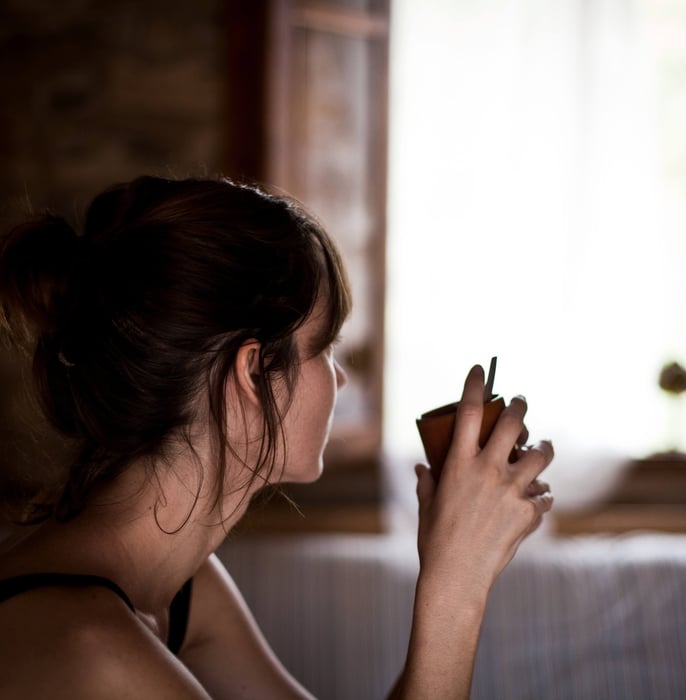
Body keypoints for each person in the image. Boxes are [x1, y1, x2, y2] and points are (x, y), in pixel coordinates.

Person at [0, 175, 554, 699]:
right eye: (325, 348)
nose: (338, 378)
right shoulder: (93, 652)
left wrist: (452, 558)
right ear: (254, 371)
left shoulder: (186, 585)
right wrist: (457, 584)